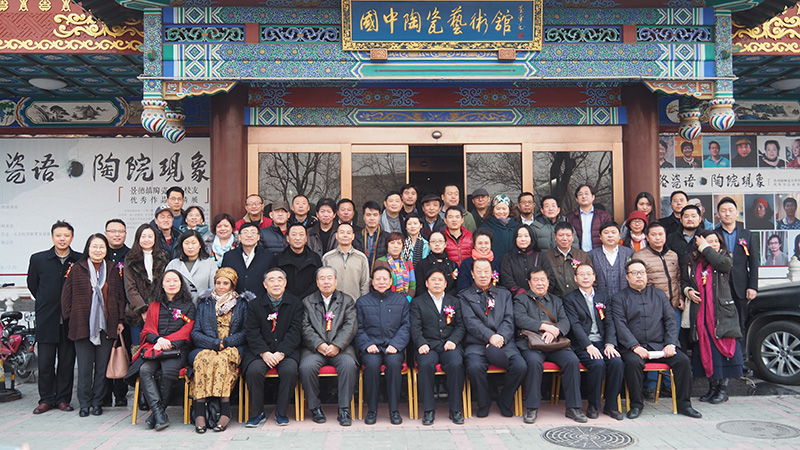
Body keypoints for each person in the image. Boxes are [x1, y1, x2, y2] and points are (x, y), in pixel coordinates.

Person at [612, 260, 701, 419]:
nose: (639, 276)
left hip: (660, 345)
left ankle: (684, 405)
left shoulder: (659, 294)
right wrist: (634, 346)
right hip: (634, 348)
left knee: (683, 361)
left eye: (642, 272)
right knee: (633, 363)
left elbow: (670, 320)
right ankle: (636, 405)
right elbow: (620, 325)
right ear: (627, 277)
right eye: (634, 273)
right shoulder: (619, 298)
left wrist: (671, 343)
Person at [61, 234, 125, 417]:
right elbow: (66, 295)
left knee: (102, 368)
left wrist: (120, 320)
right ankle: (84, 403)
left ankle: (97, 402)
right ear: (88, 249)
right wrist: (71, 317)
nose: (98, 250)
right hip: (82, 325)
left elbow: (119, 297)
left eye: (101, 247)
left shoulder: (112, 269)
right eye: (94, 247)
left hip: (106, 325)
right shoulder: (77, 268)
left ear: (106, 250)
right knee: (84, 367)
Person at [124, 270, 197, 431]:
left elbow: (188, 330)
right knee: (144, 369)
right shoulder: (154, 305)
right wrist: (158, 340)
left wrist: (168, 342)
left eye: (175, 281)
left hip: (177, 350)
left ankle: (158, 413)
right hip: (155, 347)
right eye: (168, 281)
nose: (171, 284)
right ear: (162, 285)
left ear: (181, 284)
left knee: (168, 371)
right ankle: (158, 413)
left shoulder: (189, 306)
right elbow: (147, 330)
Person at [514, 267, 587, 424]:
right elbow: (520, 319)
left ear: (548, 282)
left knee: (572, 360)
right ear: (529, 283)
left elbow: (565, 320)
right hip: (532, 344)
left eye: (543, 280)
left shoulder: (556, 300)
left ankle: (573, 407)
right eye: (536, 280)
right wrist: (543, 326)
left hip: (555, 344)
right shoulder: (521, 299)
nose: (540, 283)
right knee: (533, 363)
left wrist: (555, 331)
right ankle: (532, 408)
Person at [681, 231, 743, 405]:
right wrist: (688, 291)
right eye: (710, 241)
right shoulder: (693, 261)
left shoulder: (724, 257)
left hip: (721, 314)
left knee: (722, 351)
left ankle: (723, 389)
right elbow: (685, 281)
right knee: (705, 351)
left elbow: (723, 265)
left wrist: (706, 248)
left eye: (716, 241)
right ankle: (712, 387)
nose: (714, 244)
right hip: (701, 314)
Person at [459, 258, 526, 418]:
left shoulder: (504, 294)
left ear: (492, 273)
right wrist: (490, 337)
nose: (483, 275)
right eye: (479, 271)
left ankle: (505, 401)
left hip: (504, 342)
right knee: (474, 367)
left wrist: (500, 337)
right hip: (477, 343)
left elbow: (509, 319)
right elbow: (470, 322)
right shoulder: (464, 296)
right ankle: (484, 402)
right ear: (472, 274)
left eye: (486, 271)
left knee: (520, 366)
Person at [27, 220, 81, 415]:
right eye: (58, 235)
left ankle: (63, 399)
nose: (62, 239)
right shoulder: (38, 259)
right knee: (45, 363)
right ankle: (46, 399)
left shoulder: (79, 259)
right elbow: (33, 285)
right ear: (52, 237)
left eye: (66, 235)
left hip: (70, 320)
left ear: (72, 237)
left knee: (67, 363)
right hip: (47, 319)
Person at [189, 268, 250, 433]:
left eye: (225, 283)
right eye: (218, 283)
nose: (221, 286)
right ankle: (200, 411)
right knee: (202, 360)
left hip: (232, 347)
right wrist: (215, 343)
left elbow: (246, 331)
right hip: (208, 346)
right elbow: (195, 332)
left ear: (232, 285)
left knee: (222, 361)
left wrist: (227, 342)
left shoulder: (241, 304)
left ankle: (225, 411)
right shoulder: (205, 303)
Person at [243, 268, 304, 427]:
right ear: (265, 284)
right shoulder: (255, 304)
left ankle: (281, 412)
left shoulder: (295, 303)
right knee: (254, 371)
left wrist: (281, 352)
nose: (276, 283)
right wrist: (264, 352)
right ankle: (257, 413)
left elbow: (295, 331)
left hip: (286, 351)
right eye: (271, 280)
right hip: (261, 352)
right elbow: (252, 331)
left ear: (285, 283)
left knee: (290, 370)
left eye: (279, 279)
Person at [299, 266, 359, 427]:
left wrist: (337, 345)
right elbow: (305, 327)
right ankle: (315, 408)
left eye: (329, 278)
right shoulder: (307, 302)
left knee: (348, 365)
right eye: (322, 278)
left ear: (336, 281)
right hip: (314, 349)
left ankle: (344, 409)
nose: (326, 282)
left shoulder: (347, 300)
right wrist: (319, 344)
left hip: (341, 348)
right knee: (306, 367)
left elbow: (350, 325)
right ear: (317, 282)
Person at [563, 264, 624, 420]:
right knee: (597, 364)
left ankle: (611, 405)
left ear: (594, 277)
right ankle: (593, 405)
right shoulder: (569, 299)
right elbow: (575, 325)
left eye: (589, 274)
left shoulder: (603, 297)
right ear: (575, 278)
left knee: (617, 362)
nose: (585, 277)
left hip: (603, 343)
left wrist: (610, 344)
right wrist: (588, 346)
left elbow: (610, 323)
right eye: (581, 274)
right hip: (582, 344)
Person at [355, 266, 411, 425]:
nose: (381, 282)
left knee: (394, 365)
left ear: (391, 281)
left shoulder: (401, 301)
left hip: (393, 347)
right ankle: (372, 410)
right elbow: (357, 328)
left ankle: (394, 410)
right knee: (372, 366)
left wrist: (396, 344)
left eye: (385, 279)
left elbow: (406, 326)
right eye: (378, 279)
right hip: (371, 348)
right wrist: (367, 344)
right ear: (372, 282)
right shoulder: (362, 302)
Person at [410, 270, 466, 425]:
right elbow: (415, 327)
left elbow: (460, 325)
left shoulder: (454, 301)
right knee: (425, 364)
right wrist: (421, 343)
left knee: (456, 364)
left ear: (445, 284)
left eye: (440, 280)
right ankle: (428, 410)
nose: (436, 283)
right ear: (426, 283)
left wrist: (453, 340)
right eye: (433, 280)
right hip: (428, 345)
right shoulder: (418, 302)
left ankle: (455, 409)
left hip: (449, 344)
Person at [715, 197, 759, 342]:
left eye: (730, 210)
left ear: (736, 213)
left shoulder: (747, 234)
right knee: (720, 320)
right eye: (723, 211)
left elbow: (753, 262)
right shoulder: (713, 234)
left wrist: (752, 286)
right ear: (718, 214)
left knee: (741, 321)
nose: (727, 214)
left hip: (741, 285)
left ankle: (741, 353)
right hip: (719, 284)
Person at [124, 224, 169, 352]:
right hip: (137, 314)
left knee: (159, 348)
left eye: (150, 236)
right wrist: (143, 309)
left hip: (160, 311)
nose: (147, 239)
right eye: (143, 236)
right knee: (138, 348)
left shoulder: (164, 257)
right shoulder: (130, 259)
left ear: (155, 238)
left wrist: (154, 310)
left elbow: (166, 284)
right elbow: (130, 288)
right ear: (138, 238)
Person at [102, 218, 130, 408]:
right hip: (103, 312)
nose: (117, 235)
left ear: (125, 234)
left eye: (120, 231)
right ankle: (103, 394)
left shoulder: (130, 255)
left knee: (121, 350)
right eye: (113, 231)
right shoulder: (99, 253)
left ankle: (121, 394)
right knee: (103, 354)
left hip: (125, 312)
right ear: (106, 233)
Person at [221, 222, 274, 298]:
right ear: (239, 237)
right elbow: (223, 279)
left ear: (258, 237)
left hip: (260, 301)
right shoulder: (229, 256)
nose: (249, 235)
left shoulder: (268, 256)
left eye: (253, 232)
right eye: (245, 232)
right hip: (235, 300)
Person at [270, 223, 322, 299]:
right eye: (294, 234)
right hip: (285, 300)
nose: (297, 238)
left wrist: (304, 298)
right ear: (288, 238)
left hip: (310, 300)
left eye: (301, 234)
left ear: (306, 238)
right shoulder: (279, 258)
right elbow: (275, 281)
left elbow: (318, 281)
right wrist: (292, 299)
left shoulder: (315, 258)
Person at [322, 223, 370, 301]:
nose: (345, 235)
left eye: (348, 233)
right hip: (333, 303)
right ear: (336, 236)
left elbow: (365, 283)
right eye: (342, 232)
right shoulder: (327, 258)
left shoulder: (361, 258)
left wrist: (363, 302)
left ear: (353, 236)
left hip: (355, 303)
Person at [501, 224, 553, 296]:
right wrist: (522, 293)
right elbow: (506, 280)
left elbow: (550, 277)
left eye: (526, 236)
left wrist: (540, 292)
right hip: (517, 298)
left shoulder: (541, 256)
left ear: (531, 238)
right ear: (515, 239)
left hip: (540, 298)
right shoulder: (508, 258)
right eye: (519, 236)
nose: (523, 239)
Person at [166, 230, 217, 303]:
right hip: (179, 306)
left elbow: (214, 288)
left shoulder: (210, 263)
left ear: (200, 245)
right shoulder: (173, 264)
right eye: (186, 243)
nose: (190, 247)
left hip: (202, 306)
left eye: (194, 243)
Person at [544, 222, 591, 297]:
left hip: (579, 299)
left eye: (568, 235)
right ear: (555, 237)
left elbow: (591, 278)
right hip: (556, 299)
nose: (565, 239)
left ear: (573, 237)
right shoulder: (547, 257)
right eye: (561, 235)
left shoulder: (583, 256)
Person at [589, 222, 635, 298]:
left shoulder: (630, 253)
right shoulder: (591, 255)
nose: (610, 235)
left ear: (619, 235)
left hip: (626, 298)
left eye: (613, 232)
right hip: (601, 299)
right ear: (600, 236)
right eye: (606, 233)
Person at [566, 185, 612, 252]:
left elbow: (609, 235)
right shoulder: (570, 217)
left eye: (586, 193)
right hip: (577, 254)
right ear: (577, 199)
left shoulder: (604, 216)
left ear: (593, 197)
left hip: (599, 253)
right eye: (580, 194)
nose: (584, 196)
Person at [374, 232, 416, 301]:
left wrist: (408, 299)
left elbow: (412, 284)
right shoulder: (380, 262)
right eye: (392, 243)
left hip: (406, 301)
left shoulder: (407, 262)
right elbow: (379, 284)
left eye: (399, 243)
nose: (396, 246)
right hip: (387, 301)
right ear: (387, 245)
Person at [415, 231, 459, 297]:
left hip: (449, 300)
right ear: (429, 245)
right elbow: (420, 287)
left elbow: (456, 287)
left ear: (445, 244)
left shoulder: (453, 265)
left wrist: (445, 299)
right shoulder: (421, 264)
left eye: (440, 241)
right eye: (433, 241)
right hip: (427, 300)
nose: (437, 244)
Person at [481, 194, 521, 261]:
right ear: (493, 210)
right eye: (498, 209)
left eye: (504, 209)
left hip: (514, 263)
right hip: (493, 263)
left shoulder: (517, 225)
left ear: (509, 210)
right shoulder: (485, 226)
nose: (501, 212)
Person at [356, 201, 387, 271]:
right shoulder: (356, 237)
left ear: (379, 217)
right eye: (368, 215)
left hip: (380, 274)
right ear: (363, 217)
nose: (372, 218)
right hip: (360, 273)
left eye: (375, 215)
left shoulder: (386, 237)